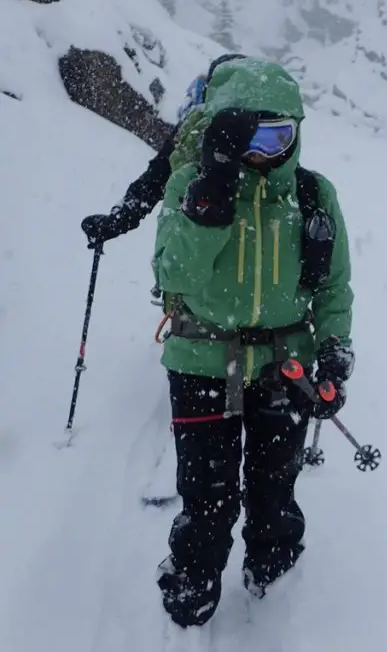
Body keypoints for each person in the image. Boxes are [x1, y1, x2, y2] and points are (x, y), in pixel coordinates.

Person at [151, 55, 355, 628]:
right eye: (246, 135)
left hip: (284, 364)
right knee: (206, 493)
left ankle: (277, 566)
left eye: (278, 134)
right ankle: (194, 574)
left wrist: (335, 350)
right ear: (221, 131)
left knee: (275, 484)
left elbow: (335, 288)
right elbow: (175, 277)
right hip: (200, 360)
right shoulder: (191, 187)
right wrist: (209, 202)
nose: (263, 150)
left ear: (296, 133)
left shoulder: (314, 195)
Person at [79, 53, 248, 249]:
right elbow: (154, 180)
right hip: (255, 251)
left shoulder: (192, 133)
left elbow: (154, 180)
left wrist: (117, 220)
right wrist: (117, 221)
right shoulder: (275, 134)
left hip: (191, 245)